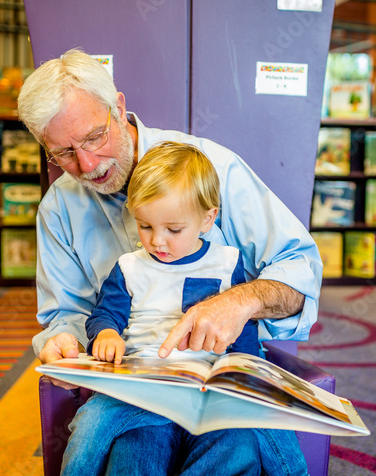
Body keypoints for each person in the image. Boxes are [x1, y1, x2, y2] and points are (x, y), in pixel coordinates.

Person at [17, 48, 322, 475]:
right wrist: (64, 342)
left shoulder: (212, 168)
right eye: (63, 153)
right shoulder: (59, 210)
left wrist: (239, 302)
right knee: (128, 451)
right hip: (133, 387)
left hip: (216, 383)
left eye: (93, 138)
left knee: (239, 450)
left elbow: (300, 270)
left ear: (118, 108)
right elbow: (66, 316)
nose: (86, 164)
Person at [77, 141, 262, 474]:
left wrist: (249, 370)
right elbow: (105, 314)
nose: (157, 241)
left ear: (208, 219)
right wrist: (105, 334)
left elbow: (241, 327)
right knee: (124, 445)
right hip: (143, 390)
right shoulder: (129, 267)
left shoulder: (225, 263)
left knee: (241, 445)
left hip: (206, 391)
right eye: (145, 226)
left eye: (173, 230)